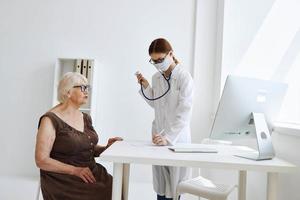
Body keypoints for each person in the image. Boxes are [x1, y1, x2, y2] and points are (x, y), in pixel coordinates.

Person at [35, 72, 122, 200]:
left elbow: (86, 147)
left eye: (87, 88)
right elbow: (41, 160)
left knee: (117, 188)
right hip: (63, 178)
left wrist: (106, 148)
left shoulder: (85, 117)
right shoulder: (50, 119)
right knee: (103, 194)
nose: (86, 91)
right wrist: (75, 170)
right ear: (68, 92)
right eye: (82, 88)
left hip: (90, 172)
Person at [136, 38, 194, 200]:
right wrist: (146, 86)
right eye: (153, 61)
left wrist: (168, 137)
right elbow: (156, 103)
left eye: (160, 59)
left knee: (176, 188)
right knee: (161, 187)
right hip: (159, 136)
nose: (157, 63)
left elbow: (184, 112)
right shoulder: (156, 77)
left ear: (171, 54)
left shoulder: (184, 77)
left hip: (177, 138)